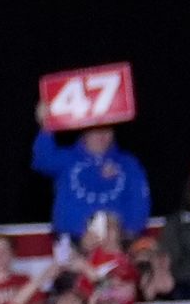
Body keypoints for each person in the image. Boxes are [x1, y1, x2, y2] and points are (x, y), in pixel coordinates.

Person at [32, 96, 151, 241]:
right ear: (84, 131)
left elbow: (139, 202)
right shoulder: (67, 158)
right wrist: (45, 127)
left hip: (116, 244)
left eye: (107, 129)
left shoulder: (128, 163)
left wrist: (127, 237)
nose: (102, 134)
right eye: (95, 129)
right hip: (71, 243)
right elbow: (42, 161)